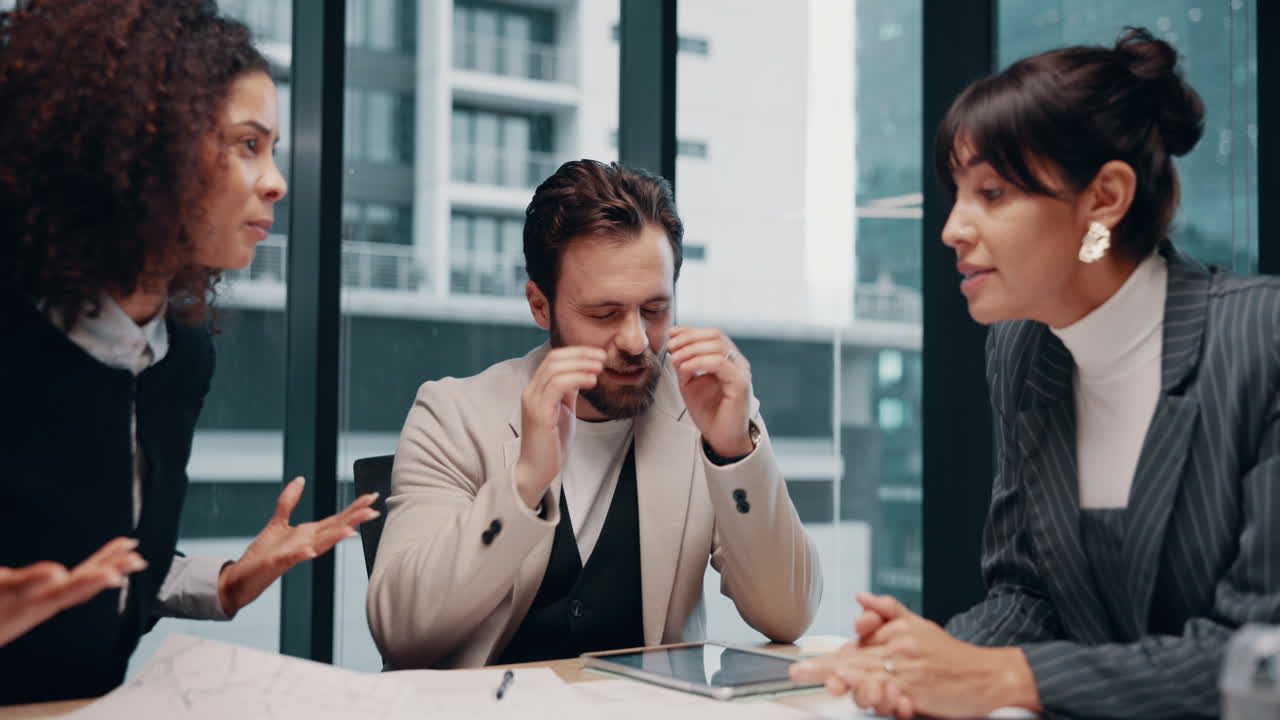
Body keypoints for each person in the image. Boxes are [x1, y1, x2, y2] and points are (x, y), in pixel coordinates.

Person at [792, 28, 1280, 720]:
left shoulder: (1262, 341)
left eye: (991, 193)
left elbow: (1259, 656)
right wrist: (918, 662)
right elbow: (1027, 596)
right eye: (957, 192)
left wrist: (993, 678)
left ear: (1105, 198)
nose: (952, 228)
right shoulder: (1025, 349)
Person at [0, 0, 378, 703]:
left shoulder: (178, 359)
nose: (277, 182)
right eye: (247, 144)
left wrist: (228, 583)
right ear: (150, 147)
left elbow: (113, 563)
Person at [367, 159, 822, 669]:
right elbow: (399, 632)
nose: (635, 341)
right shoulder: (452, 416)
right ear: (541, 306)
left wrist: (732, 452)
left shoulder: (708, 408)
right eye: (604, 314)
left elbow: (789, 615)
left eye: (654, 310)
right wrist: (523, 485)